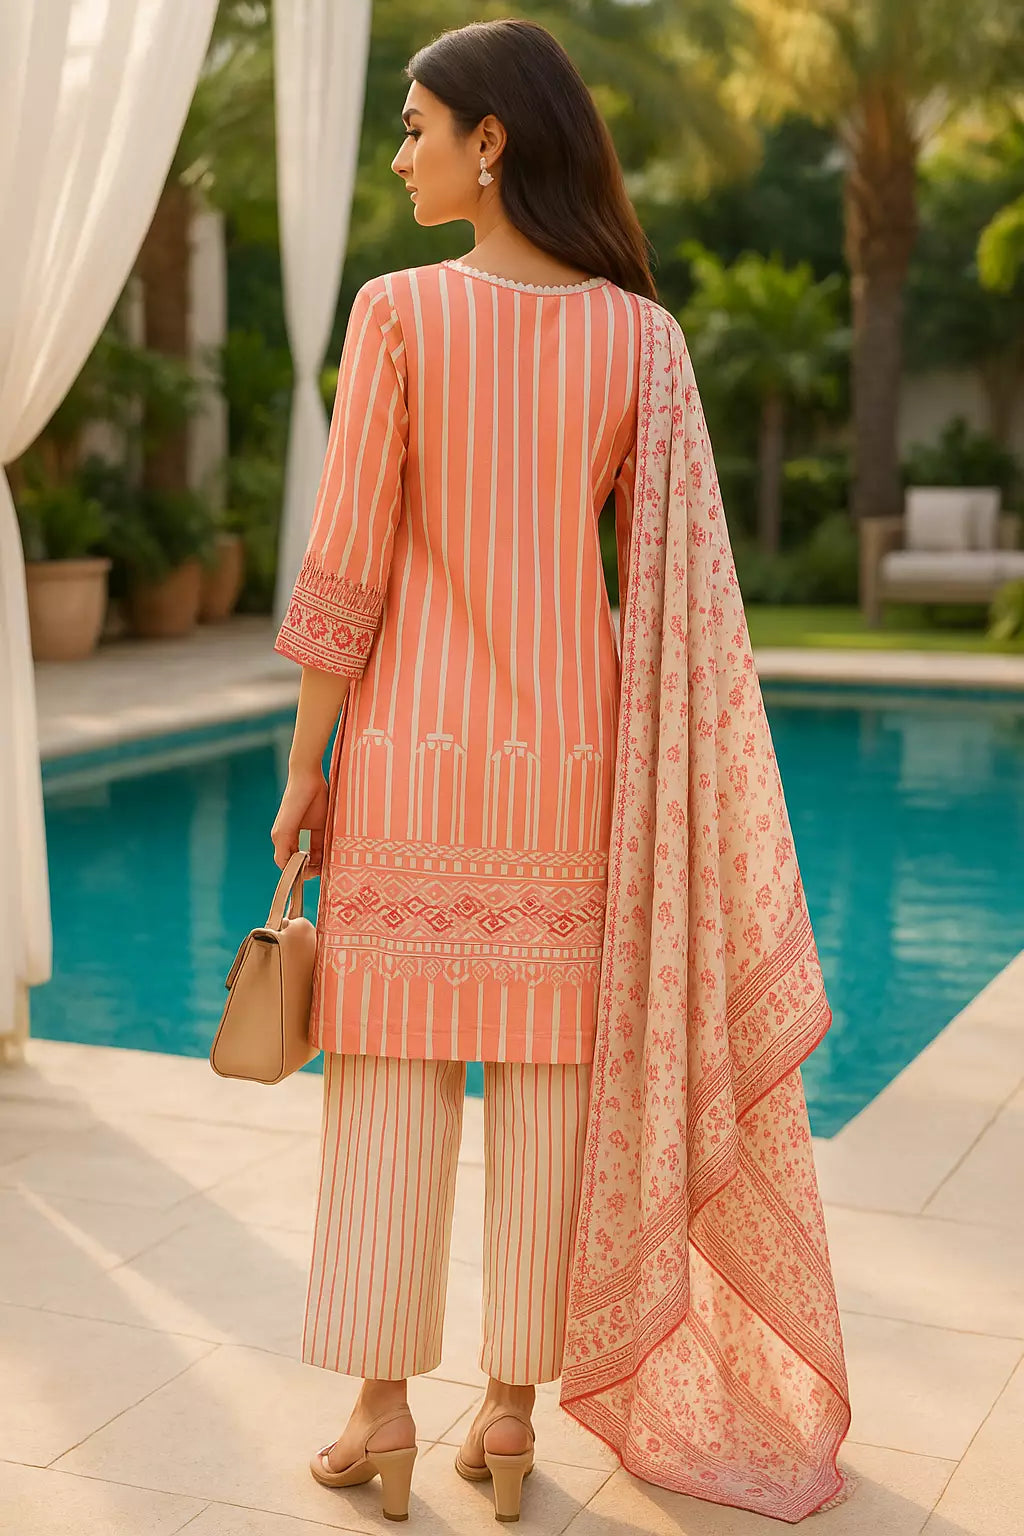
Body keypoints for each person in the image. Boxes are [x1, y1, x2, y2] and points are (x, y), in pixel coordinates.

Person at [272, 16, 853, 1528]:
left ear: (492, 140)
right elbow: (674, 587)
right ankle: (512, 1417)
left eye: (416, 127)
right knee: (551, 1107)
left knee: (388, 1091)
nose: (398, 156)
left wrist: (305, 767)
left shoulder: (397, 314)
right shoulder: (641, 339)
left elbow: (346, 568)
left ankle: (379, 1414)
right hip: (576, 769)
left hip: (413, 759)